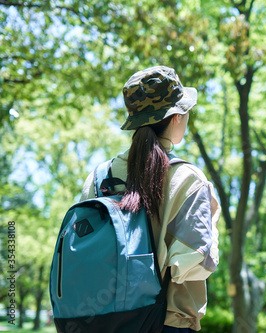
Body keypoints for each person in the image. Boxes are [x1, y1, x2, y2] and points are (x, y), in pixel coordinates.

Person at [80, 66, 221, 333]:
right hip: (167, 324)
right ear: (176, 117)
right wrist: (212, 220)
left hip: (102, 321)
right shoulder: (188, 179)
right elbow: (198, 264)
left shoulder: (97, 178)